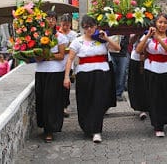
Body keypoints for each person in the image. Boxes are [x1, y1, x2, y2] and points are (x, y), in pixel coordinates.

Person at [63, 15, 120, 143]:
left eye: (91, 26)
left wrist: (106, 39)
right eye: (86, 27)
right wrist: (66, 76)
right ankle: (87, 126)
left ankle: (97, 130)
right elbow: (70, 59)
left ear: (96, 26)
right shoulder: (78, 41)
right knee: (85, 101)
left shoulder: (102, 39)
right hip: (84, 74)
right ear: (83, 28)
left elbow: (118, 48)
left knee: (99, 101)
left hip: (102, 73)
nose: (89, 29)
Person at [136, 13, 167, 137]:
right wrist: (148, 35)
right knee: (153, 97)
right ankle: (157, 125)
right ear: (155, 23)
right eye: (160, 22)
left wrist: (159, 38)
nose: (162, 25)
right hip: (151, 69)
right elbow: (138, 50)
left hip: (166, 69)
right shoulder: (147, 37)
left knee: (165, 97)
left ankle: (163, 121)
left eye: (165, 22)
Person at [35, 10, 68, 143]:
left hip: (55, 73)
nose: (50, 21)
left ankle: (51, 129)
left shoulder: (60, 37)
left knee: (51, 101)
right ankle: (44, 127)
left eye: (53, 19)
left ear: (56, 21)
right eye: (48, 18)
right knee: (41, 100)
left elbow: (61, 56)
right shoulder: (38, 36)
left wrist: (47, 56)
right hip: (40, 72)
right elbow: (36, 57)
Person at [58, 13, 78, 118]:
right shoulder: (56, 33)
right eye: (63, 25)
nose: (65, 27)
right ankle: (59, 106)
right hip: (58, 63)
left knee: (66, 86)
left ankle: (65, 106)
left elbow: (73, 50)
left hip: (69, 63)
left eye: (67, 25)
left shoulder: (74, 35)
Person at [127, 32, 149, 120]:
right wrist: (137, 33)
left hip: (150, 59)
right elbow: (131, 42)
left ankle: (150, 105)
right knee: (137, 84)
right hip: (136, 58)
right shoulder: (135, 29)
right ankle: (141, 108)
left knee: (148, 84)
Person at [109, 35, 129, 101]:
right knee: (111, 73)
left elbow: (127, 41)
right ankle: (111, 92)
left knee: (122, 74)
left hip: (123, 54)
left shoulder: (125, 31)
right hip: (110, 53)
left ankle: (118, 93)